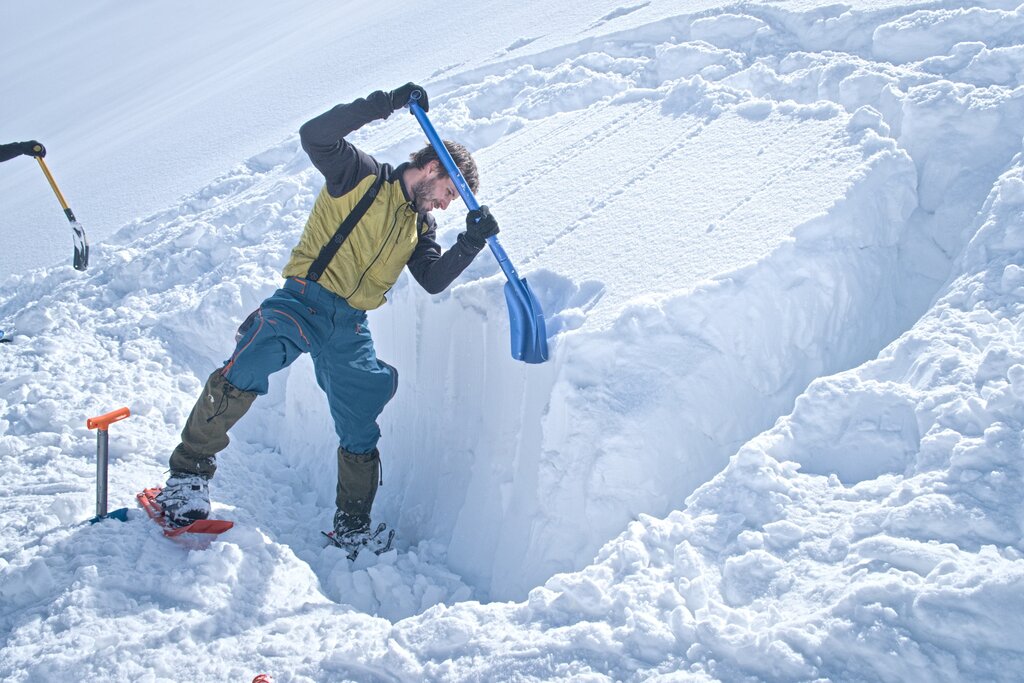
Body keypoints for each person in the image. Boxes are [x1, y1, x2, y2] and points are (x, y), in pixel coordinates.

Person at [156, 83, 499, 553]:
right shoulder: (358, 175)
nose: (443, 204)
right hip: (302, 301)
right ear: (434, 167)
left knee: (361, 419)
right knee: (252, 363)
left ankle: (353, 524)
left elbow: (433, 280)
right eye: (447, 193)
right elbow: (314, 134)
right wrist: (385, 104)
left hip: (349, 324)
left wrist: (470, 243)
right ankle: (187, 476)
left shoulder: (421, 225)